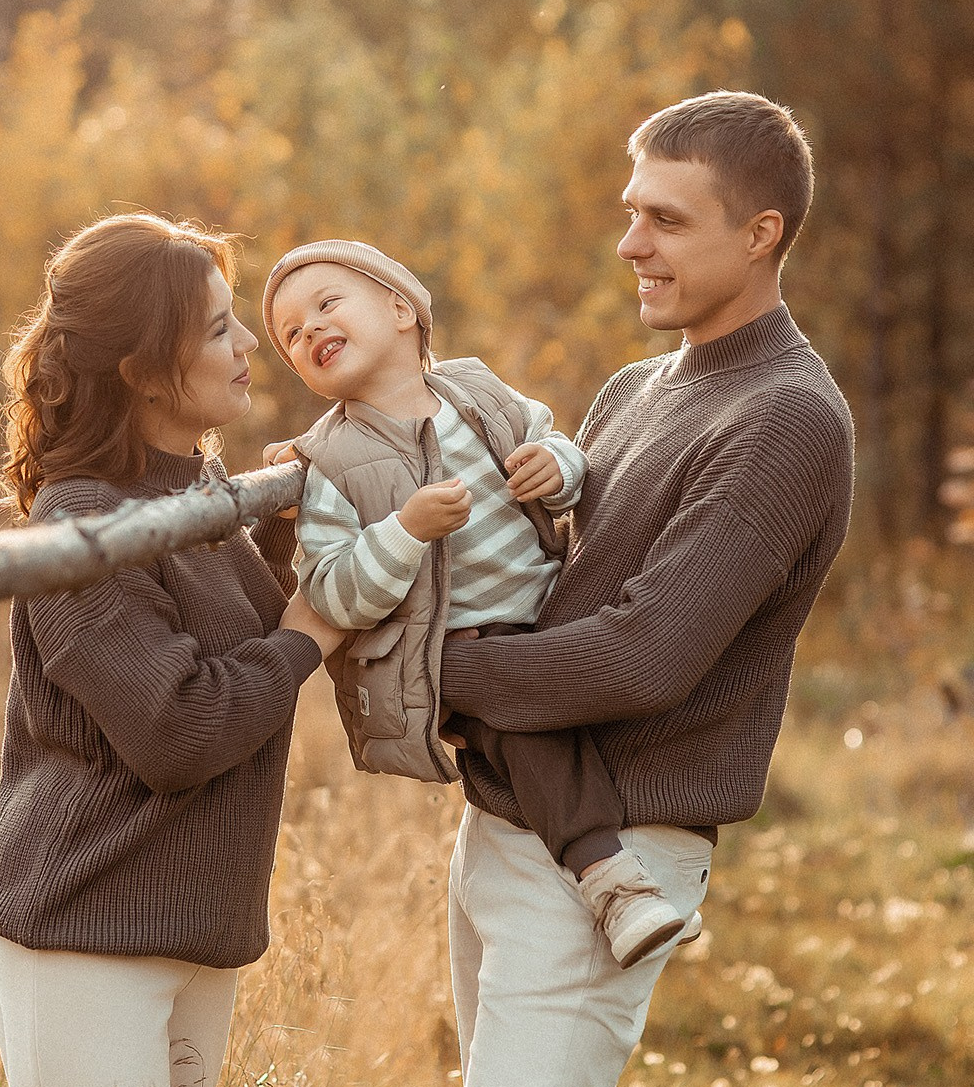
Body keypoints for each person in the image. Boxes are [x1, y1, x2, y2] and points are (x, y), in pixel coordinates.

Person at [435, 91, 855, 1087]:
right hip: (511, 828)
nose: (631, 244)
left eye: (666, 221)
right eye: (631, 214)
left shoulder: (786, 417)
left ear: (760, 233)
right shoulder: (633, 389)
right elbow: (550, 591)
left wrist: (431, 674)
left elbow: (641, 655)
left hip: (613, 853)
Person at [0, 211, 340, 1087]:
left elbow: (218, 634)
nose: (248, 348)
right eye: (218, 330)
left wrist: (290, 536)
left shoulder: (199, 494)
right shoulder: (81, 526)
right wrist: (309, 634)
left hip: (184, 931)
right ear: (141, 368)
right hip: (85, 935)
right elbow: (178, 729)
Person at [261, 239, 691, 968]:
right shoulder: (327, 462)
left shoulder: (477, 390)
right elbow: (332, 591)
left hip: (549, 609)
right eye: (291, 336)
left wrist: (555, 467)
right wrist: (404, 532)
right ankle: (613, 883)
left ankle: (658, 854)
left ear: (402, 309)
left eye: (327, 305)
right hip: (454, 649)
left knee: (620, 679)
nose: (311, 331)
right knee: (525, 728)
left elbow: (558, 446)